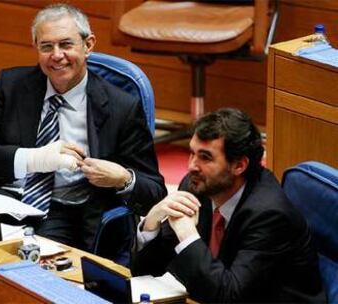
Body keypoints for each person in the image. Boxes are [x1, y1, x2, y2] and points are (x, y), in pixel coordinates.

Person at [0, 3, 166, 251]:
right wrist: (34, 159)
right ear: (36, 47)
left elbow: (154, 191)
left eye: (66, 44)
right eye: (47, 46)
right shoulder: (11, 85)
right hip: (3, 199)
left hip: (64, 211)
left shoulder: (121, 107)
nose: (56, 55)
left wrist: (123, 178)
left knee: (26, 265)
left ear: (88, 45)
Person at [132, 108, 325, 303]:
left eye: (205, 157)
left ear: (239, 165)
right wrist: (152, 222)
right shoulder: (197, 187)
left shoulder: (270, 215)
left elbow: (229, 297)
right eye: (192, 153)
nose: (192, 166)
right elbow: (146, 273)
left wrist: (188, 237)